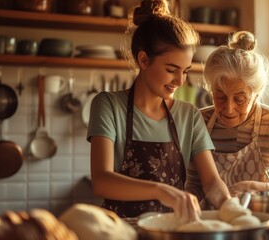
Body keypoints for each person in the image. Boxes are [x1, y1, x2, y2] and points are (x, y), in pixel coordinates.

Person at [87, 0, 230, 221]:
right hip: (121, 231)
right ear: (144, 60)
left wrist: (232, 209)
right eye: (171, 70)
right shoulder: (108, 105)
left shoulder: (189, 116)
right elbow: (101, 180)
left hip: (171, 230)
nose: (180, 80)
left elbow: (211, 183)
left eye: (185, 71)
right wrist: (161, 191)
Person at [186, 31, 269, 201]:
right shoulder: (199, 121)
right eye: (220, 96)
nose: (229, 108)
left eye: (240, 99)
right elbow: (193, 186)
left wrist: (257, 188)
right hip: (210, 222)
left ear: (256, 95)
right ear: (210, 90)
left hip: (260, 220)